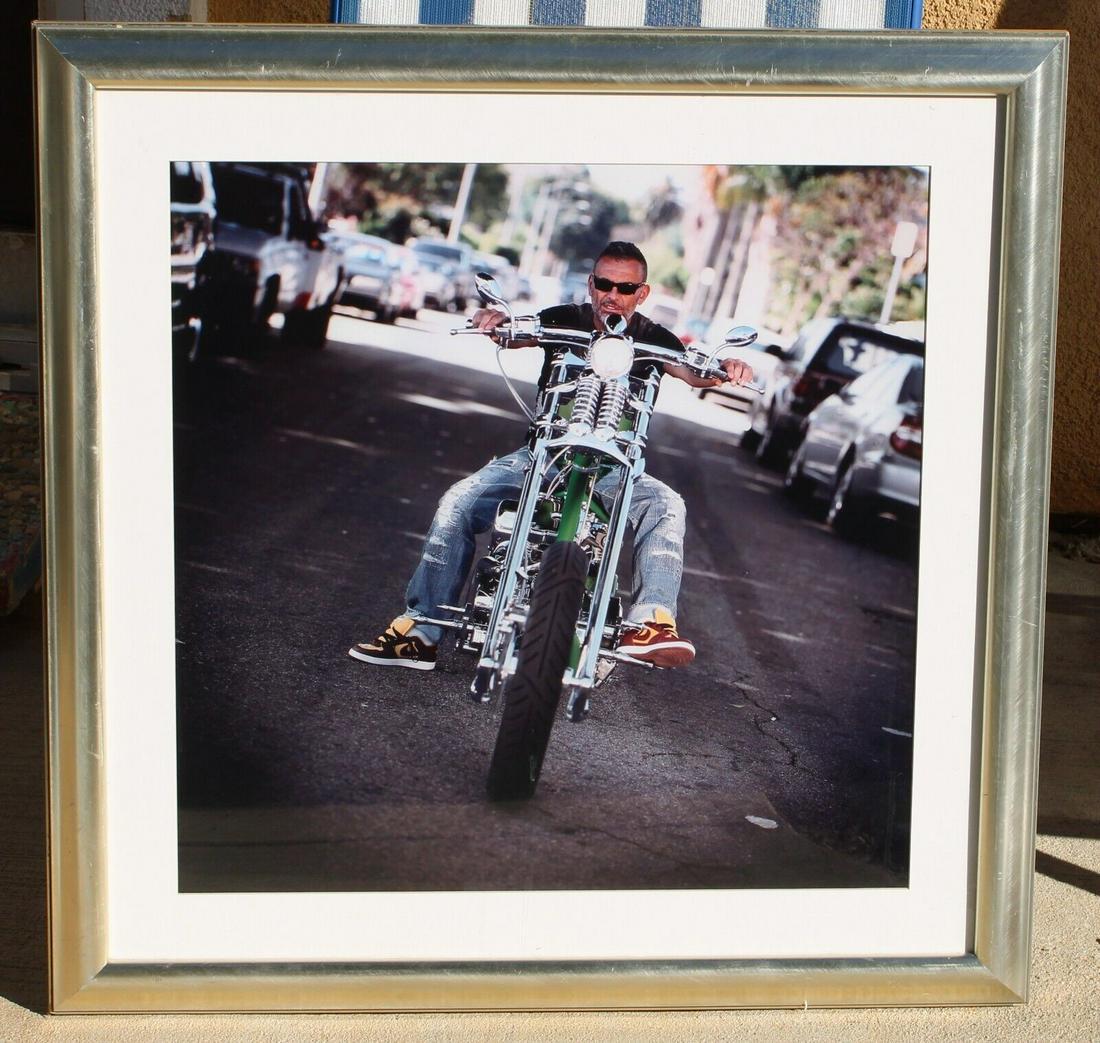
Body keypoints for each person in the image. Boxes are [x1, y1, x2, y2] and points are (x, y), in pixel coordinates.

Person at [349, 242, 752, 671]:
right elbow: (522, 333)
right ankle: (421, 630)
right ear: (591, 283)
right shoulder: (565, 319)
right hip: (541, 456)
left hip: (615, 467)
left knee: (668, 505)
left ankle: (650, 621)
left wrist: (725, 365)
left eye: (625, 286)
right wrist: (498, 321)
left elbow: (692, 371)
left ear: (642, 293)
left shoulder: (656, 338)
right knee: (459, 501)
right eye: (604, 283)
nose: (612, 294)